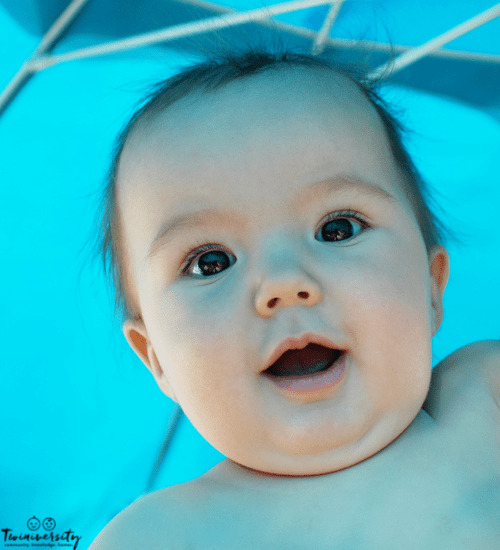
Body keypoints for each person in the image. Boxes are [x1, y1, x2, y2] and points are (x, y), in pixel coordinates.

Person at [89, 47, 500, 549]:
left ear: (431, 287)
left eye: (338, 229)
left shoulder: (483, 397)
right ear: (156, 358)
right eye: (210, 263)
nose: (285, 282)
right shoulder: (154, 537)